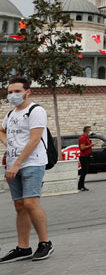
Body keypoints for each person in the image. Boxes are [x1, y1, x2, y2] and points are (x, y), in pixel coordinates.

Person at [0, 77, 53, 262]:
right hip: (13, 164)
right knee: (19, 206)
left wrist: (16, 163)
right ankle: (23, 247)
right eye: (10, 92)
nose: (13, 95)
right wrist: (8, 144)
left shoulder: (36, 111)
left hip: (32, 162)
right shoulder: (10, 114)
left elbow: (35, 139)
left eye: (17, 91)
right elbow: (2, 130)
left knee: (30, 203)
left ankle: (45, 243)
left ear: (27, 91)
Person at [77, 125, 93, 191]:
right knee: (83, 172)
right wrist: (90, 145)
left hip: (87, 156)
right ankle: (80, 186)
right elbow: (82, 147)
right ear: (87, 130)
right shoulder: (82, 138)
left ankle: (81, 185)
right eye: (90, 130)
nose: (90, 131)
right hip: (84, 156)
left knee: (85, 172)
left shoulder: (87, 137)